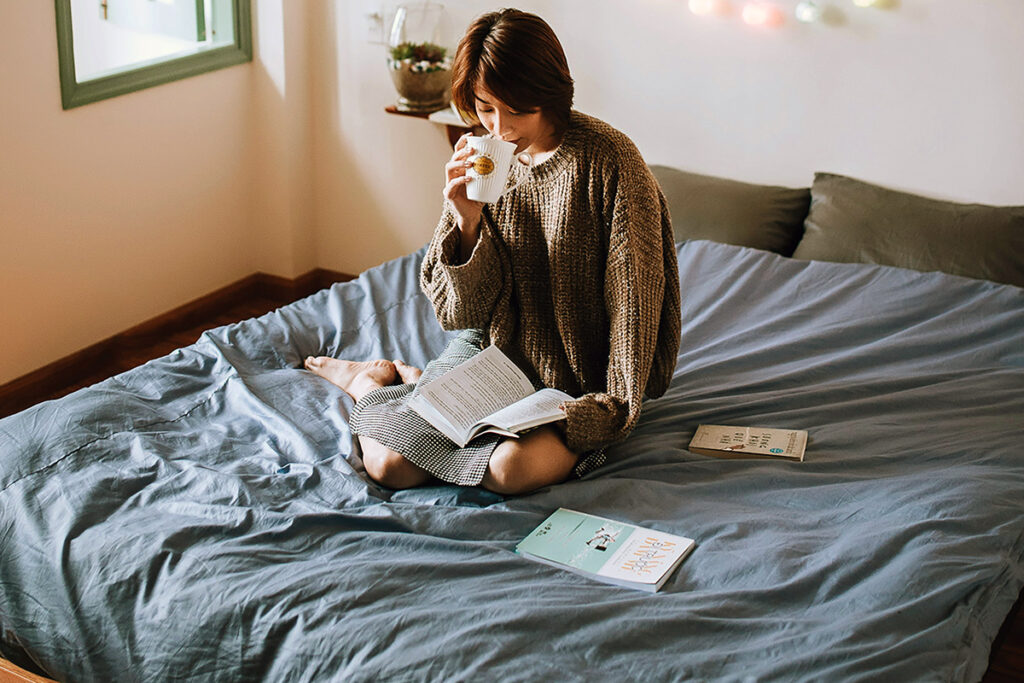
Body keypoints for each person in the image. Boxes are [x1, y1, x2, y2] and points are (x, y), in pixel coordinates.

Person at [305, 8, 680, 495]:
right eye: (485, 108)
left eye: (516, 110)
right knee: (391, 465)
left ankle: (413, 388)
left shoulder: (610, 162)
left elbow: (635, 302)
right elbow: (458, 313)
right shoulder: (483, 156)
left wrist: (613, 407)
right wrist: (465, 218)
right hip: (490, 354)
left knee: (511, 471)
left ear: (550, 94)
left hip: (576, 380)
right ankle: (371, 387)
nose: (499, 128)